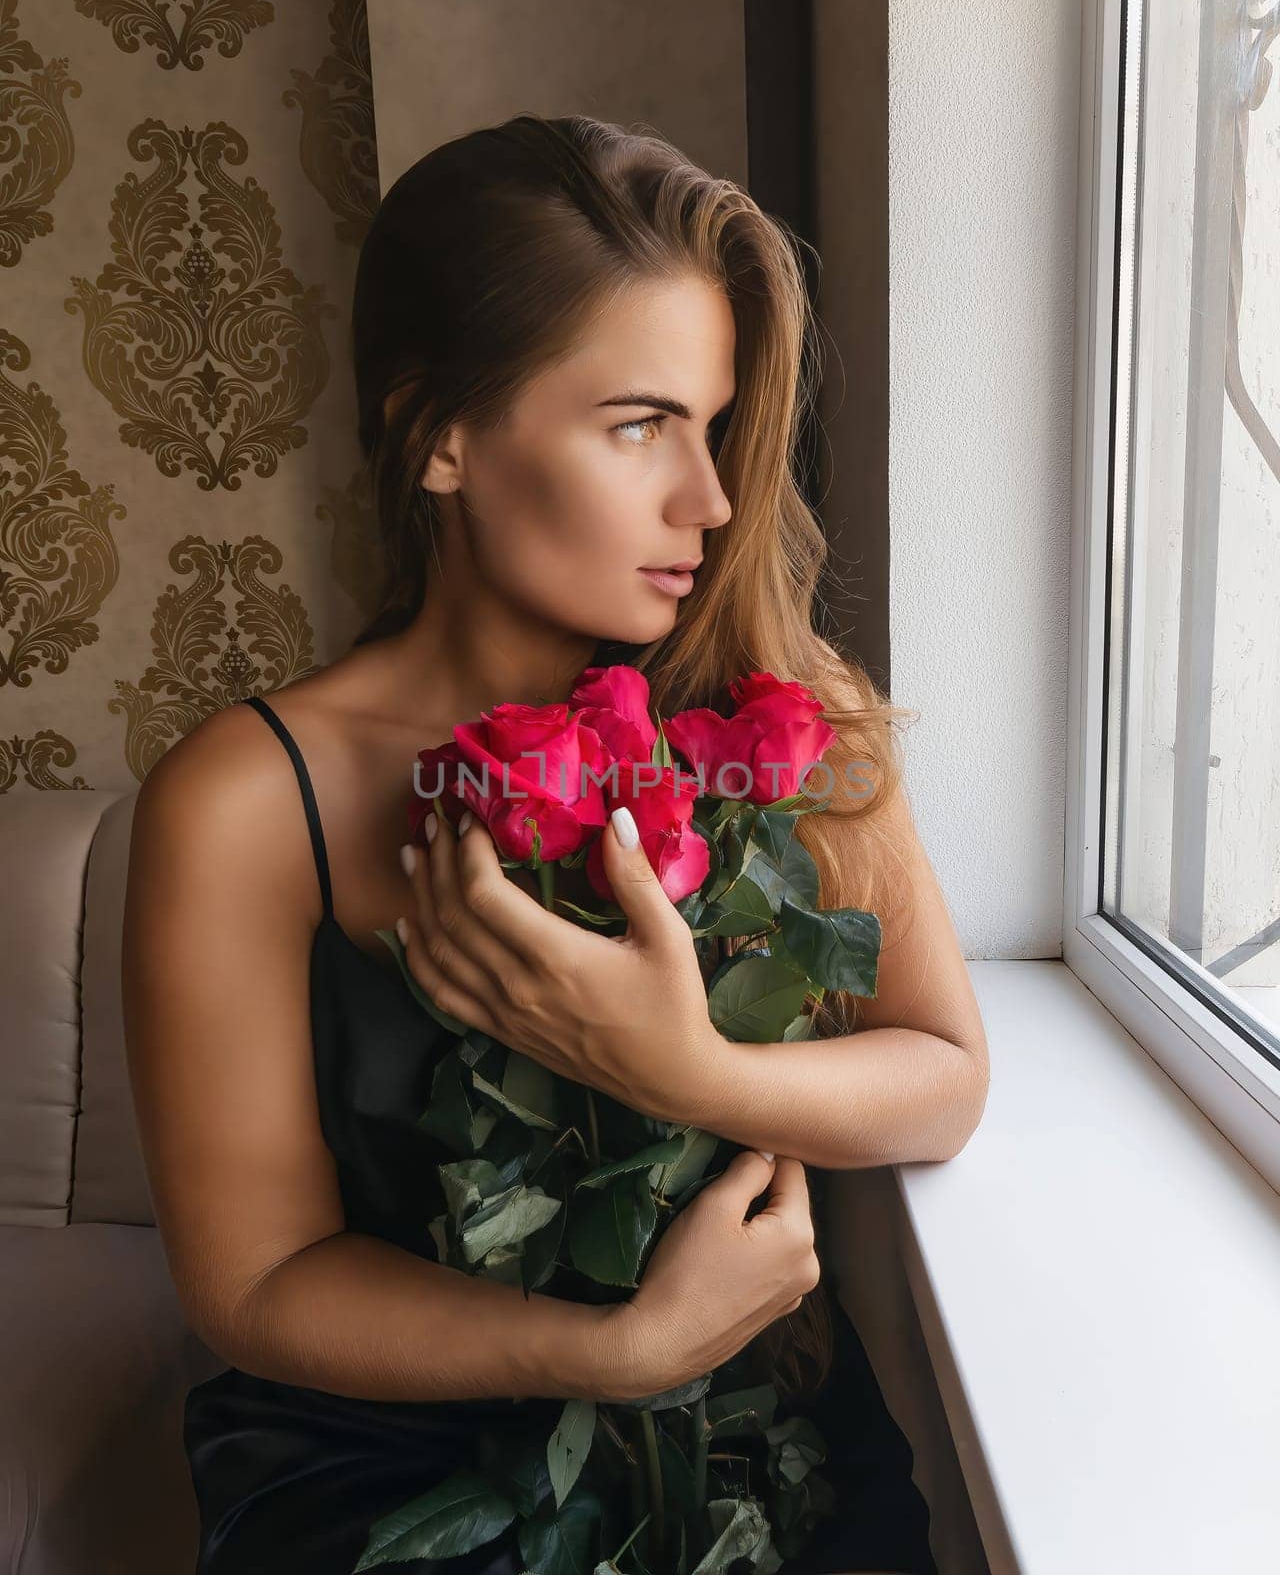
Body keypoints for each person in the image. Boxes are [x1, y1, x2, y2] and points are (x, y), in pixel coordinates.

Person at [122, 112, 988, 1575]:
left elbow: (944, 1080)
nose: (709, 502)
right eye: (639, 423)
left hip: (747, 1447)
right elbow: (257, 1282)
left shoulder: (782, 714)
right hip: (383, 1473)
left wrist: (688, 1071)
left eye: (713, 427)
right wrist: (621, 1347)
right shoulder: (243, 800)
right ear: (439, 433)